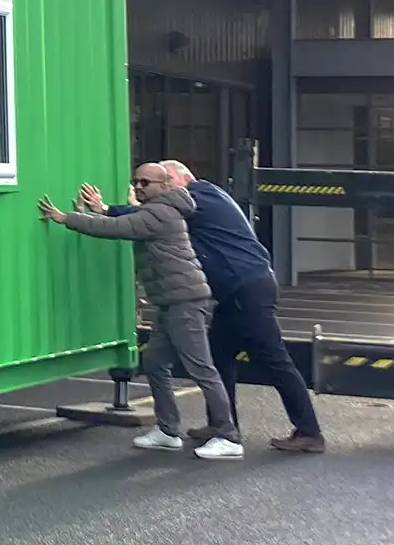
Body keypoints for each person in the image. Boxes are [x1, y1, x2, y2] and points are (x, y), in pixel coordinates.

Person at [78, 160, 323, 453]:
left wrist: (108, 209)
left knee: (275, 360)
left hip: (249, 288)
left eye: (166, 181)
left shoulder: (202, 194)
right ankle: (221, 425)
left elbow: (153, 215)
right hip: (233, 292)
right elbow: (150, 219)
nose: (163, 189)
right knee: (218, 357)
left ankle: (309, 432)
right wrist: (121, 209)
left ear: (184, 179)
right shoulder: (184, 204)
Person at [41, 163, 243, 460]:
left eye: (145, 182)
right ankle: (167, 431)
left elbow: (115, 228)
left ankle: (228, 437)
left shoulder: (160, 213)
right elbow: (125, 220)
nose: (138, 186)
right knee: (155, 362)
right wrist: (93, 211)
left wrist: (66, 218)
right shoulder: (156, 211)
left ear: (164, 185)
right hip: (171, 300)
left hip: (184, 301)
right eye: (136, 181)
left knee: (201, 368)